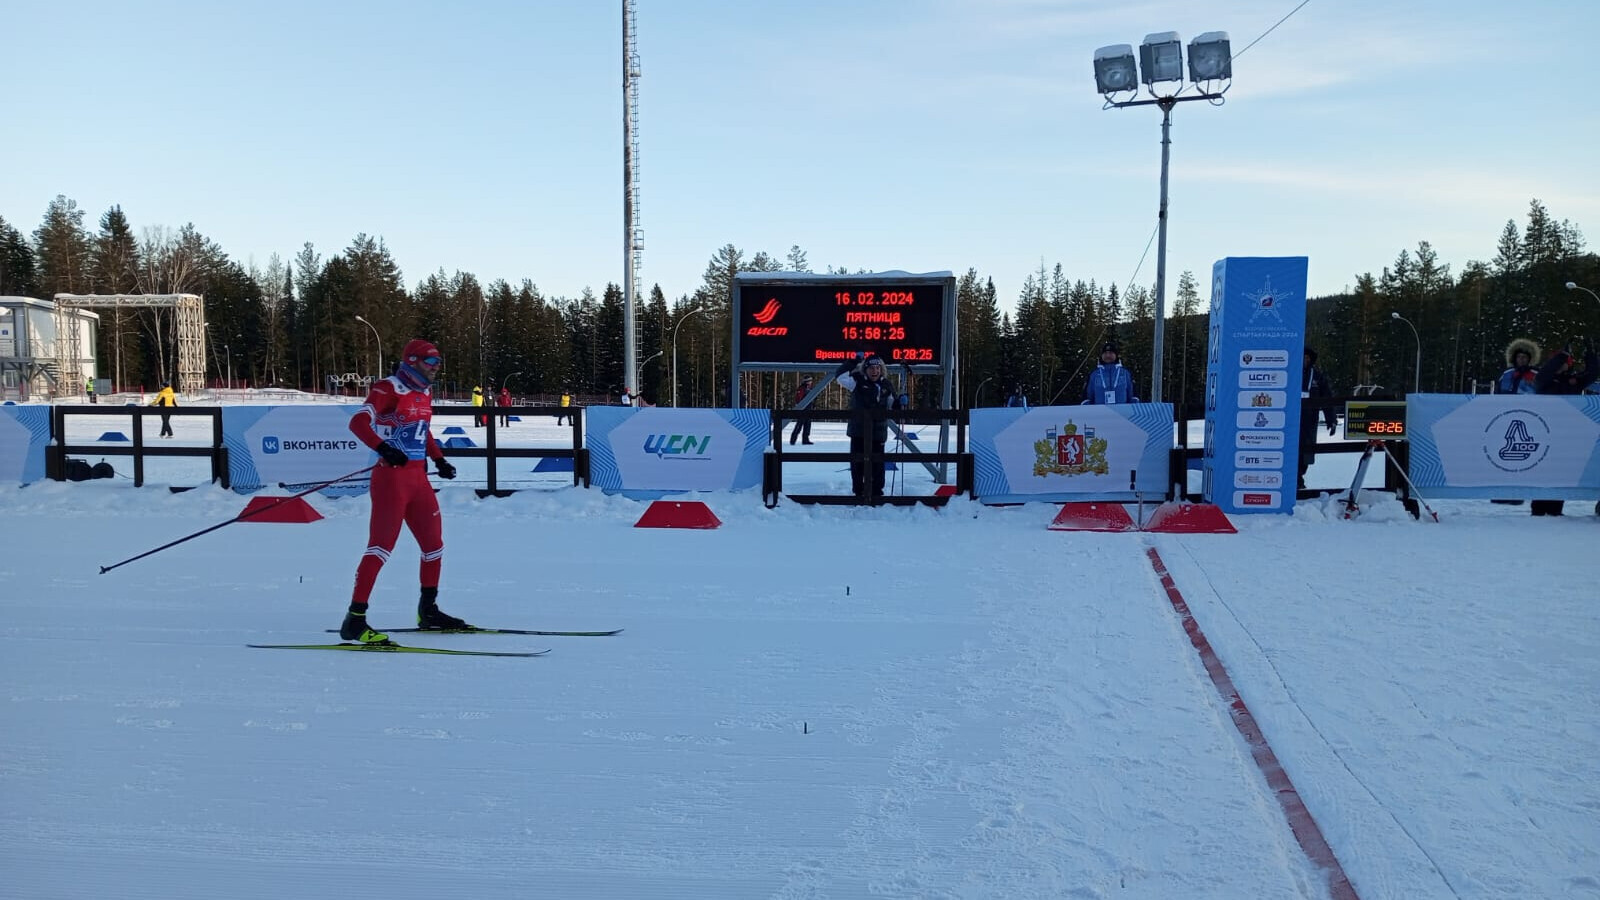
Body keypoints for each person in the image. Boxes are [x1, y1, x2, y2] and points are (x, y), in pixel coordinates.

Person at [341, 339, 464, 643]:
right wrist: (382, 447)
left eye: (438, 362)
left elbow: (423, 429)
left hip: (417, 480)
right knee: (381, 547)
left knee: (434, 545)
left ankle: (429, 610)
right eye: (430, 362)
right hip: (391, 480)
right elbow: (357, 423)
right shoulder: (388, 388)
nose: (436, 368)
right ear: (411, 361)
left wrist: (439, 459)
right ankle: (355, 619)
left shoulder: (424, 392)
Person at [1529, 341, 1599, 517]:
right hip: (1542, 432)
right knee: (1541, 471)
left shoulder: (1572, 382)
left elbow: (1593, 373)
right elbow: (1543, 375)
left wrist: (1590, 355)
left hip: (1565, 435)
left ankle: (1555, 509)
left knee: (1561, 472)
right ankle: (1537, 509)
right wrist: (1562, 355)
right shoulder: (1544, 381)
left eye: (1563, 364)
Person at [834, 354, 909, 501]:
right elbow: (840, 376)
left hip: (878, 432)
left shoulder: (886, 385)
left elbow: (893, 406)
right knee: (857, 464)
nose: (874, 371)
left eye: (877, 368)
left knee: (878, 464)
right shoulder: (857, 381)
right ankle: (859, 492)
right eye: (871, 368)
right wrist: (854, 361)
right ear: (865, 370)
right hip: (858, 431)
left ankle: (877, 493)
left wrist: (900, 402)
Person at [1298, 347, 1338, 491]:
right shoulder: (1289, 373)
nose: (1305, 360)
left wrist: (1331, 420)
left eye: (1308, 358)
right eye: (1303, 357)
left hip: (1310, 421)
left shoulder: (1317, 376)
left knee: (1306, 452)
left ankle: (1299, 478)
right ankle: (1291, 479)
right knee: (1290, 450)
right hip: (1290, 421)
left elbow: (1327, 398)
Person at [789, 375, 815, 445]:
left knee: (807, 425)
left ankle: (805, 440)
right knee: (799, 425)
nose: (811, 382)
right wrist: (799, 406)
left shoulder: (810, 388)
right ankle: (793, 440)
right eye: (810, 381)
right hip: (803, 409)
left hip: (808, 409)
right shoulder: (802, 388)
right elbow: (798, 398)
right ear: (807, 381)